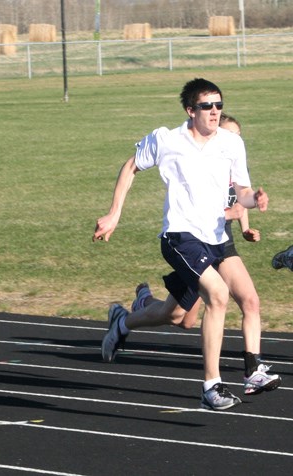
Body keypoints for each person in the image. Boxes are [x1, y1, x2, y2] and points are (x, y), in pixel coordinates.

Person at [94, 78, 269, 411]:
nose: (215, 111)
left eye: (219, 105)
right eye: (207, 106)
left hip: (217, 239)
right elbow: (131, 166)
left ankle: (122, 321)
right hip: (180, 236)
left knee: (177, 315)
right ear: (191, 111)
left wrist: (253, 199)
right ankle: (211, 385)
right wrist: (114, 213)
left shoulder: (231, 143)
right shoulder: (167, 139)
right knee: (217, 296)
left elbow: (241, 190)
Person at [129, 114, 280, 396]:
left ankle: (253, 370)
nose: (233, 142)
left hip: (222, 244)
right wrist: (226, 214)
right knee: (179, 318)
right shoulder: (200, 164)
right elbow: (198, 210)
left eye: (238, 137)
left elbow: (242, 199)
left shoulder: (233, 162)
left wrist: (246, 226)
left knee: (250, 300)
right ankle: (131, 314)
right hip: (193, 243)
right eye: (228, 136)